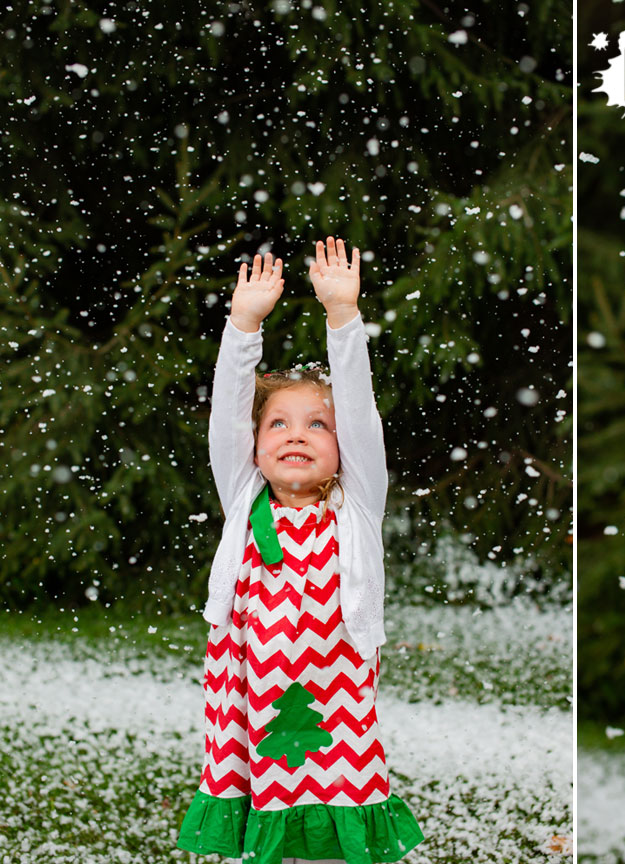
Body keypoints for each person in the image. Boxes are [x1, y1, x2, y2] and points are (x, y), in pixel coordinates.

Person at [176, 237, 424, 864]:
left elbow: (362, 413)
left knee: (335, 832)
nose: (297, 436)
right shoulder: (244, 500)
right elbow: (226, 415)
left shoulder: (357, 505)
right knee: (267, 831)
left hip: (336, 707)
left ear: (343, 449)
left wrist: (342, 316)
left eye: (318, 424)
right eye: (278, 424)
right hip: (250, 699)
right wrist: (244, 324)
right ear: (255, 445)